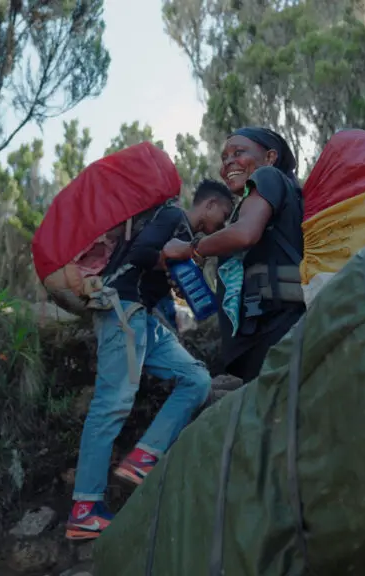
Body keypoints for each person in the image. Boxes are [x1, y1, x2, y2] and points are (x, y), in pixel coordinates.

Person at [65, 181, 236, 541]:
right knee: (111, 403)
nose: (221, 224)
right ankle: (84, 508)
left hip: (144, 318)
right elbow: (143, 253)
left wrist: (176, 276)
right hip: (122, 311)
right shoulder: (174, 217)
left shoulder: (182, 235)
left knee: (196, 379)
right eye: (222, 215)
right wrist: (172, 257)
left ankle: (145, 455)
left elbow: (154, 268)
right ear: (209, 205)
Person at [162, 127, 305, 383]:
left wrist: (191, 248)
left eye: (238, 153)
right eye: (224, 158)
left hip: (276, 333)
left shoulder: (268, 176)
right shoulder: (258, 205)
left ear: (270, 157)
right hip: (263, 339)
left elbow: (245, 234)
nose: (228, 163)